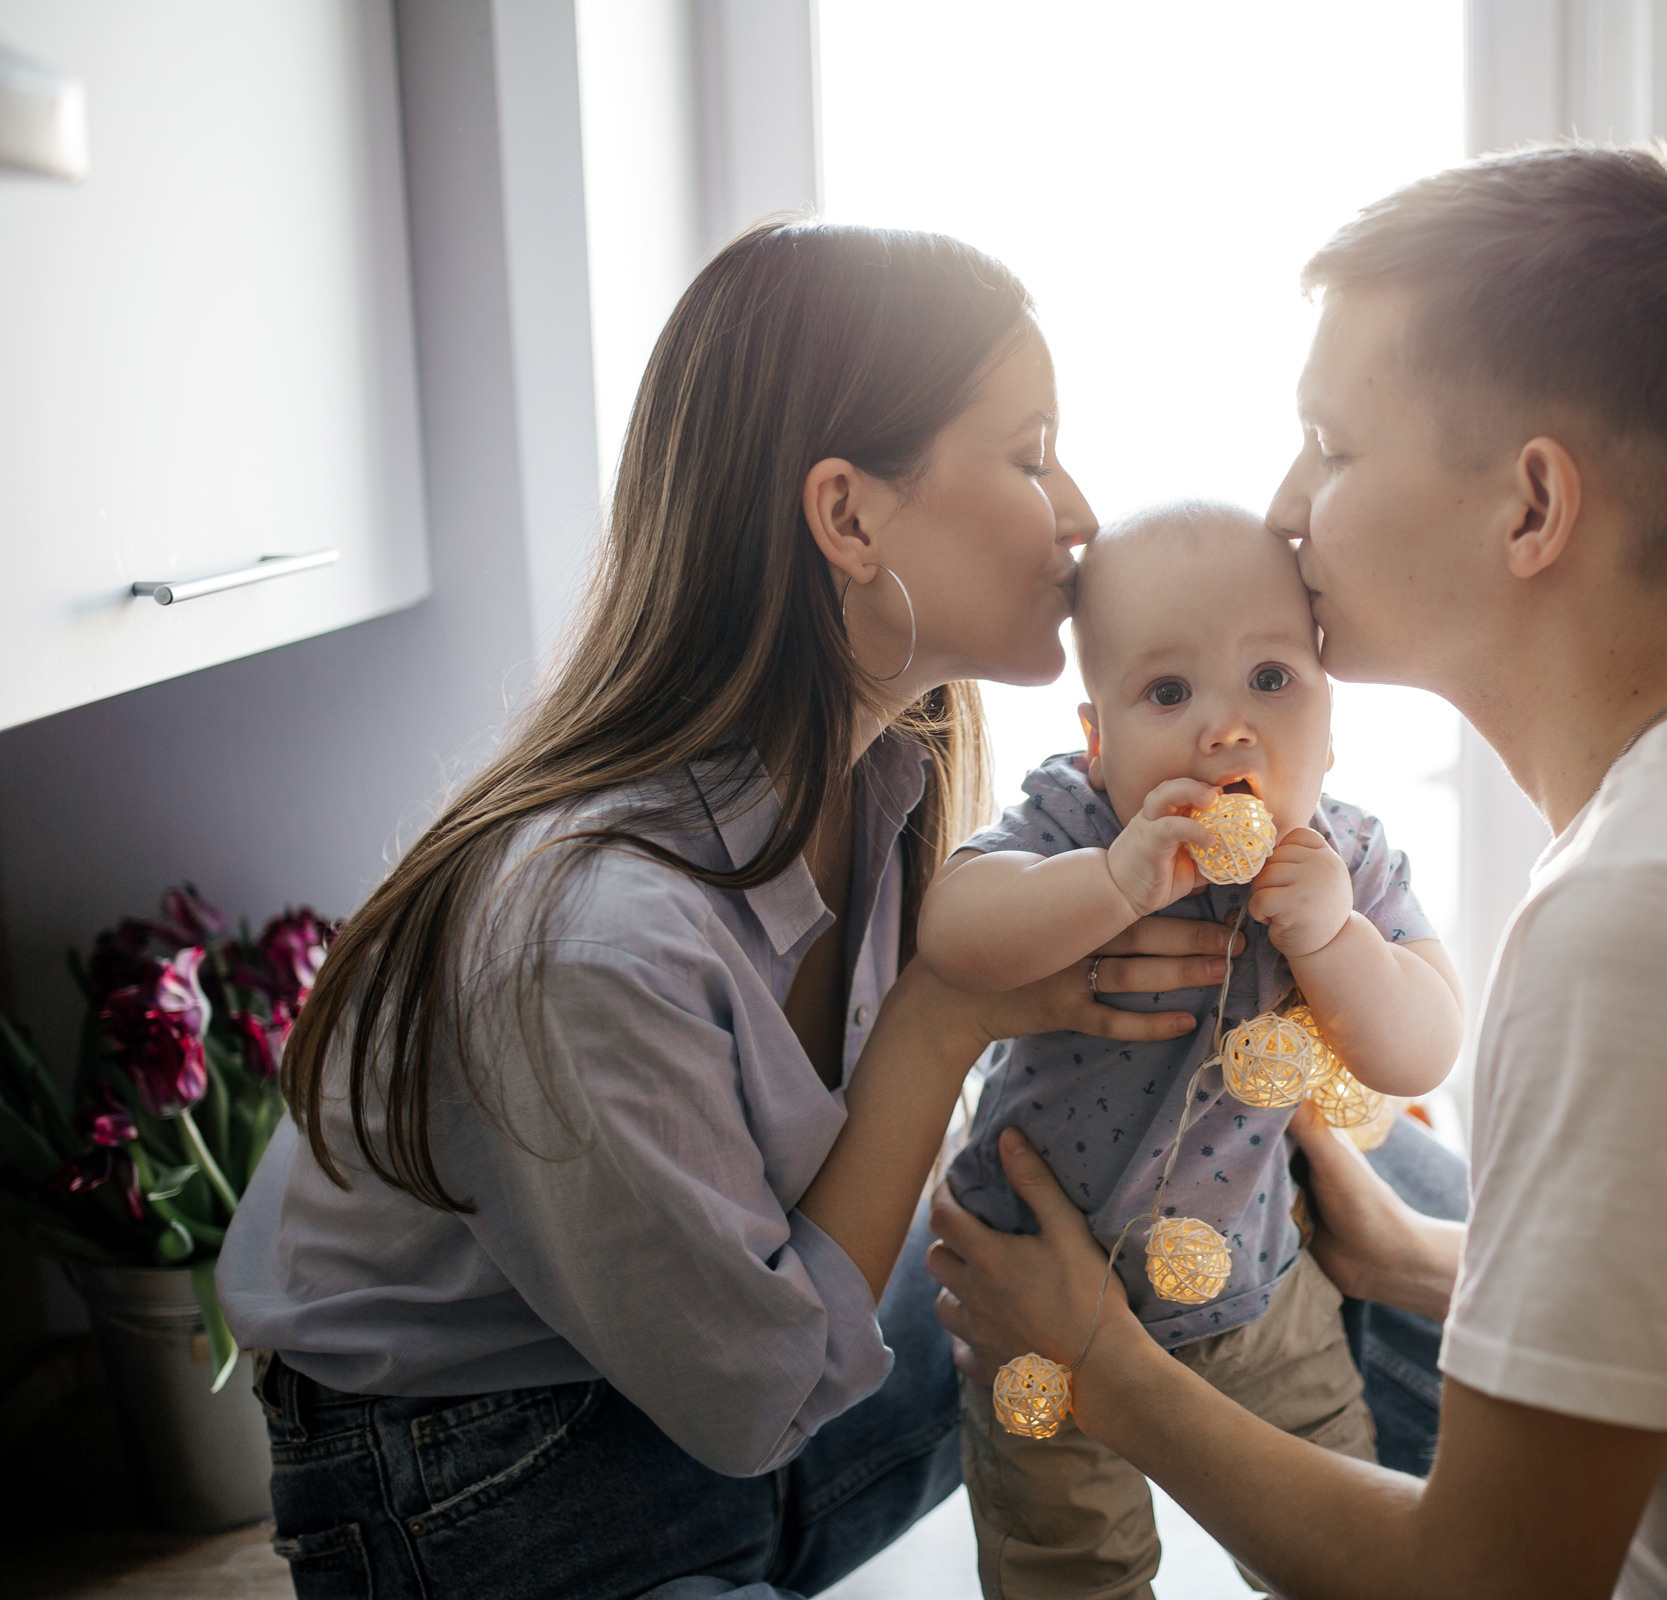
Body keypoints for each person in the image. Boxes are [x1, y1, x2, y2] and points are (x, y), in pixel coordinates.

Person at [928, 143, 1667, 1599]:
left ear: (1532, 508)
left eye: (1334, 447)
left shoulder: (1652, 917)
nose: (1287, 506)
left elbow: (1488, 1583)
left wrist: (1102, 1367)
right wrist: (1414, 1258)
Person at [215, 219, 1464, 1600]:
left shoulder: (885, 773)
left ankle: (1498, 1532)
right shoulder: (591, 942)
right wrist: (943, 1016)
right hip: (508, 1485)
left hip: (773, 1360)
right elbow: (754, 1398)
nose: (1080, 514)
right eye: (1031, 454)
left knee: (1334, 1161)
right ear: (850, 517)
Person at [919, 502, 1463, 1598]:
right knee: (1068, 1567)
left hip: (1260, 1283)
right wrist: (1110, 884)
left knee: (1334, 1538)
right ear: (1098, 740)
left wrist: (1336, 941)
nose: (1226, 728)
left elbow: (1425, 1045)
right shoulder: (1076, 823)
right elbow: (954, 928)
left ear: (1330, 721)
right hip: (1037, 1289)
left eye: (1271, 678)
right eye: (1169, 693)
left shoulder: (1345, 854)